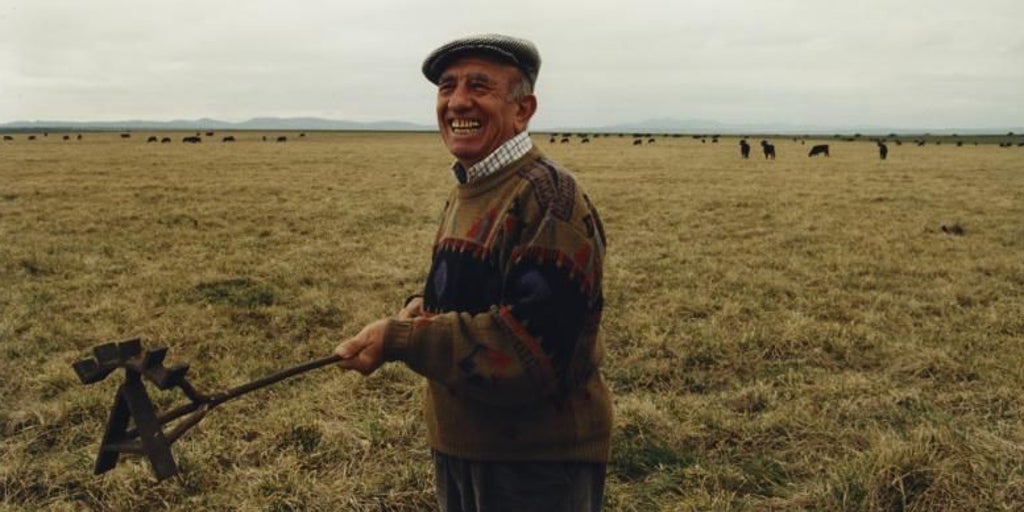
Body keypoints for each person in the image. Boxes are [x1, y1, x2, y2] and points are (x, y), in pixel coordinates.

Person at [335, 34, 611, 512]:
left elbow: (530, 353)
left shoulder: (548, 199)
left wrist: (403, 339)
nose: (458, 101)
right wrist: (421, 311)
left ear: (523, 110)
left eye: (479, 87)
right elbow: (476, 293)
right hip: (466, 447)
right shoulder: (472, 184)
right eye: (447, 87)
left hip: (533, 464)